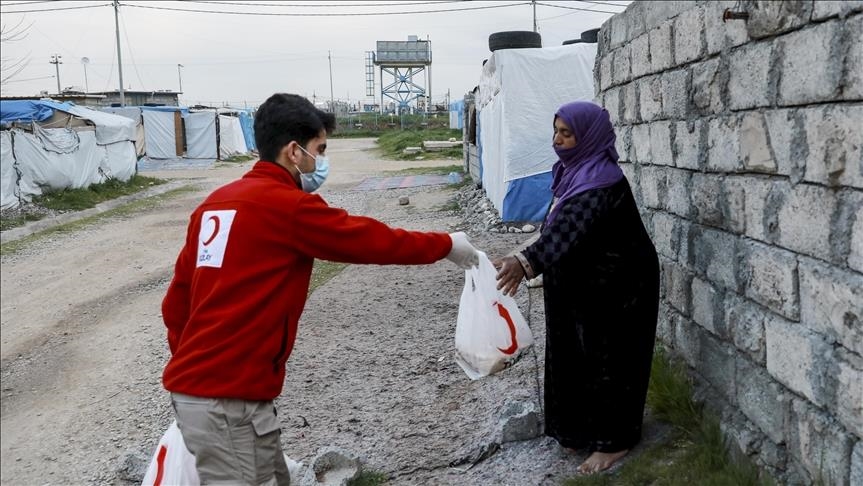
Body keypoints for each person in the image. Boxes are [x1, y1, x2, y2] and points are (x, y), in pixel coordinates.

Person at [160, 93, 479, 485]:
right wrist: (446, 245)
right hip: (228, 399)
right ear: (294, 151)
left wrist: (195, 372)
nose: (322, 161)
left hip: (207, 393)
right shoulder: (285, 205)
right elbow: (368, 240)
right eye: (320, 149)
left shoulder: (215, 204)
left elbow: (176, 303)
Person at [493, 101, 659, 475]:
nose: (558, 140)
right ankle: (578, 428)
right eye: (555, 132)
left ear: (589, 136)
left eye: (566, 134)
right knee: (571, 352)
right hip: (579, 282)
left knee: (610, 359)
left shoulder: (600, 179)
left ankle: (614, 441)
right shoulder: (572, 172)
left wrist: (524, 263)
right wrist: (522, 253)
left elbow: (571, 226)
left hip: (618, 285)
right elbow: (556, 224)